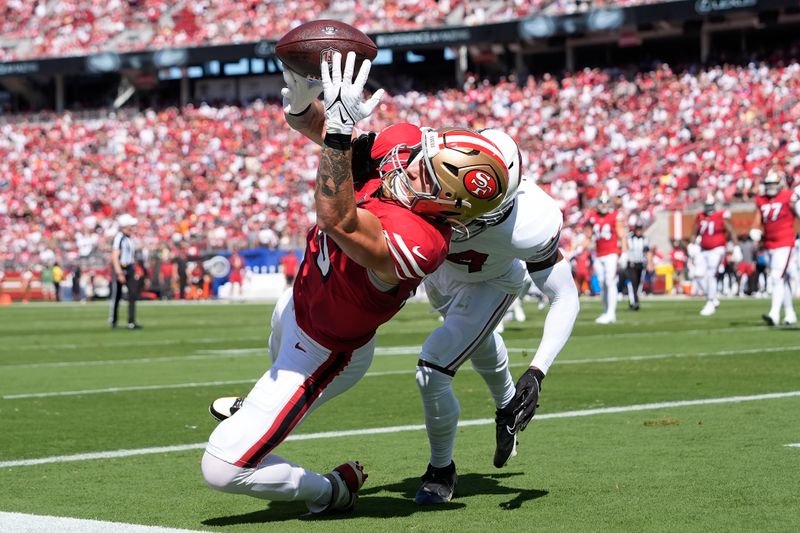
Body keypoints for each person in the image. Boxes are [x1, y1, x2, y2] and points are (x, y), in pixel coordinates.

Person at [200, 52, 509, 516]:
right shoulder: (405, 154)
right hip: (298, 303)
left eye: (427, 172)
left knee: (223, 467)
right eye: (426, 157)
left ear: (448, 205)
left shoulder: (424, 241)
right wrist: (305, 105)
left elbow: (338, 219)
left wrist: (341, 133)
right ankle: (262, 407)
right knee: (269, 390)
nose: (411, 165)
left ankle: (332, 490)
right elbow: (326, 138)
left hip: (327, 351)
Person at [410, 129, 580, 504]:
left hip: (491, 282)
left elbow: (564, 296)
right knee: (477, 340)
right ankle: (506, 406)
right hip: (438, 275)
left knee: (433, 367)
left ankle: (440, 470)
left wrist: (537, 372)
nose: (444, 196)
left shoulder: (530, 223)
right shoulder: (434, 165)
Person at [753, 170, 799, 325]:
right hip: (769, 244)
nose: (770, 187)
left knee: (776, 277)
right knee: (781, 279)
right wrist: (756, 230)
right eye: (768, 184)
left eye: (773, 184)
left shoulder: (788, 196)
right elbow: (758, 218)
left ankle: (774, 314)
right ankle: (790, 313)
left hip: (785, 242)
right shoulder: (762, 200)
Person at [694, 193, 738, 316]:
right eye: (707, 205)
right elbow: (694, 231)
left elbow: (731, 230)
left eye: (710, 205)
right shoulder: (700, 217)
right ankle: (712, 298)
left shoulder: (721, 216)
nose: (708, 208)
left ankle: (710, 302)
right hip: (703, 249)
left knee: (711, 274)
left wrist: (735, 246)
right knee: (697, 275)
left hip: (717, 249)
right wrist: (692, 245)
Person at [586, 191, 627, 324]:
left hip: (611, 253)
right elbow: (589, 236)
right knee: (602, 282)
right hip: (598, 254)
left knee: (610, 281)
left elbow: (622, 235)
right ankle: (605, 311)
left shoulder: (615, 216)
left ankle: (611, 313)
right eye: (601, 203)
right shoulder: (593, 217)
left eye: (605, 203)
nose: (603, 205)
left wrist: (624, 252)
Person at [109, 214, 142, 329]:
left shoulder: (129, 238)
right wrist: (119, 272)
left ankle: (131, 321)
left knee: (133, 294)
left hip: (130, 268)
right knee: (117, 295)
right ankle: (113, 320)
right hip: (121, 268)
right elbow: (115, 256)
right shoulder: (119, 237)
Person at [624, 221, 653, 311]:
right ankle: (633, 302)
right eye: (638, 229)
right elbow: (625, 247)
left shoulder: (644, 239)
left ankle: (636, 301)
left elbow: (647, 251)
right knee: (632, 283)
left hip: (641, 264)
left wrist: (649, 263)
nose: (639, 231)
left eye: (640, 229)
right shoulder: (629, 238)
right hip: (631, 263)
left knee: (638, 284)